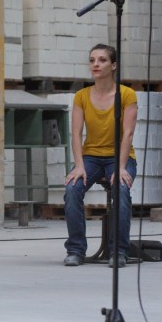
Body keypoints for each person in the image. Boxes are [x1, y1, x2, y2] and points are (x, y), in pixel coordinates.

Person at [63, 44, 138, 268]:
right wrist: (79, 165)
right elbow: (76, 133)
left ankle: (119, 251)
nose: (96, 64)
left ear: (113, 65)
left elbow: (128, 133)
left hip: (120, 157)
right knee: (72, 189)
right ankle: (76, 250)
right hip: (91, 157)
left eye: (102, 60)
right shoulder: (81, 96)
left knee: (121, 190)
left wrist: (121, 167)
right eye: (92, 60)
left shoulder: (127, 95)